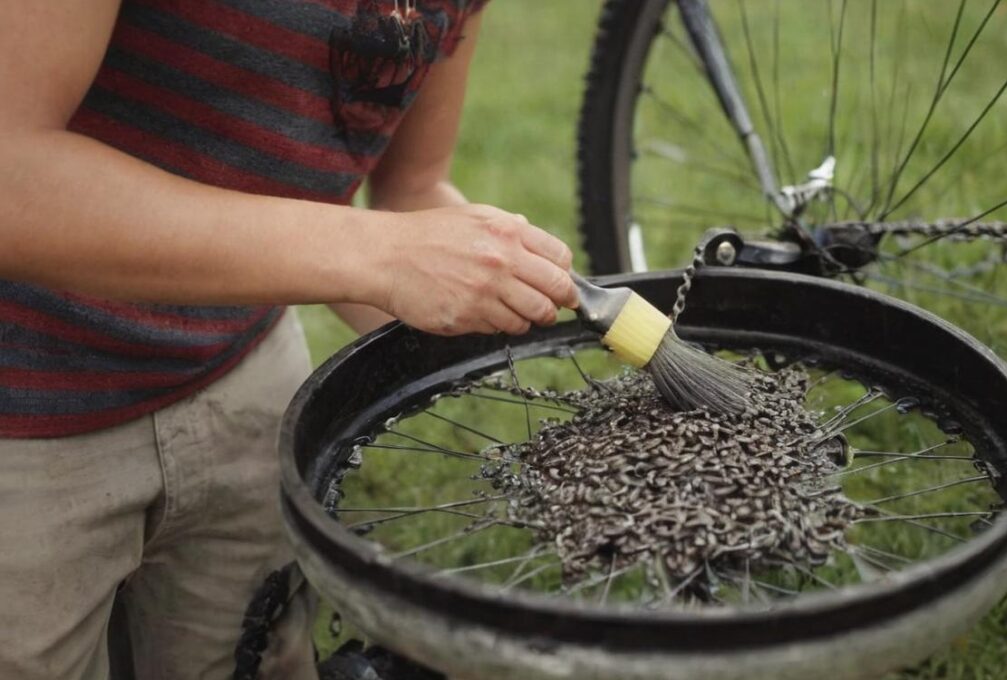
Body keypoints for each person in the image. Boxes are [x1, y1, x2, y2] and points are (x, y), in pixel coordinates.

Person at [0, 1, 578, 678]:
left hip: (243, 374)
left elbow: (410, 189)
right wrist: (379, 253)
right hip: (27, 410)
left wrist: (522, 292)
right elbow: (13, 176)